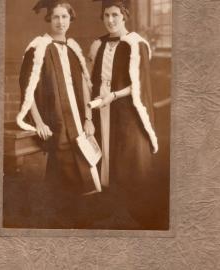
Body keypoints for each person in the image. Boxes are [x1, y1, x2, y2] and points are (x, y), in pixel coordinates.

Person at [16, 0, 100, 228]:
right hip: (57, 122)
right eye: (56, 17)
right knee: (62, 171)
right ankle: (60, 221)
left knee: (84, 167)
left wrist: (89, 119)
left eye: (64, 17)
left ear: (70, 19)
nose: (60, 22)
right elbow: (27, 88)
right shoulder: (38, 49)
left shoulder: (73, 50)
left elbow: (84, 86)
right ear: (49, 19)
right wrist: (40, 122)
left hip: (77, 120)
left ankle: (76, 220)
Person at [89, 0, 160, 229]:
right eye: (107, 15)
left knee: (126, 156)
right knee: (104, 155)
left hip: (125, 109)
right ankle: (110, 209)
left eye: (115, 15)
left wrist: (114, 95)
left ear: (124, 16)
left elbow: (137, 85)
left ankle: (129, 213)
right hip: (102, 108)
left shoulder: (135, 44)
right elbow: (92, 78)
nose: (110, 20)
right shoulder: (98, 44)